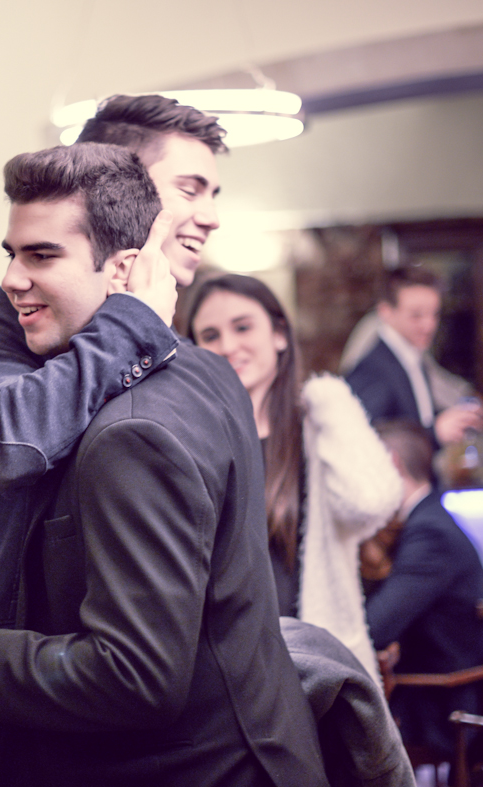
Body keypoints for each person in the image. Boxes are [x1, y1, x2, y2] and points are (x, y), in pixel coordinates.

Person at [0, 143, 327, 787]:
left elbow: (136, 676)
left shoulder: (136, 431)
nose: (12, 279)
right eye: (12, 253)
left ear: (124, 267)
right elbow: (7, 442)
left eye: (42, 255)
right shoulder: (206, 369)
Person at [0, 93, 224, 634]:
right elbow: (4, 445)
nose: (211, 217)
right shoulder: (10, 316)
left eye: (214, 194)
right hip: (37, 655)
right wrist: (132, 322)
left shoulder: (195, 351)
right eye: (189, 189)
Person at [186, 273, 402, 683]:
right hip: (224, 667)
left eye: (243, 327)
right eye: (210, 335)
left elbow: (371, 501)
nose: (228, 346)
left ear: (279, 334)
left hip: (314, 659)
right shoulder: (190, 434)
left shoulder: (315, 424)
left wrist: (331, 403)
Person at [365, 420, 483, 759]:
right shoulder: (430, 517)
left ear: (391, 463)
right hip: (439, 692)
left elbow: (375, 626)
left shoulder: (429, 533)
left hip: (436, 705)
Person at [345, 266, 483, 447]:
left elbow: (415, 417)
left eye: (435, 314)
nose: (429, 325)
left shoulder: (413, 355)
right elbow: (364, 443)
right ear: (385, 311)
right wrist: (435, 432)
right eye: (416, 315)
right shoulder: (372, 370)